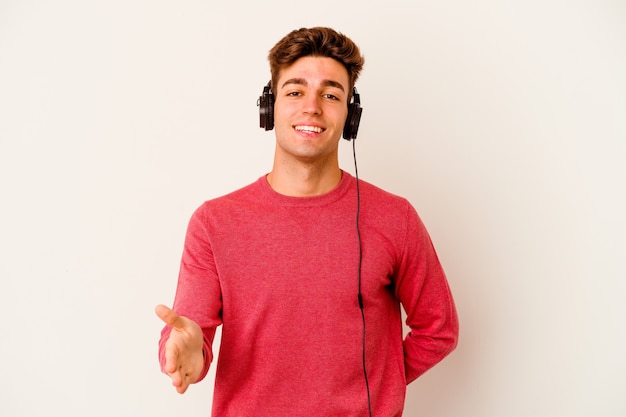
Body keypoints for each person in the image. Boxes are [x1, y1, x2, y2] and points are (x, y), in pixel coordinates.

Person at [156, 26, 459, 416]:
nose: (312, 107)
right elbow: (188, 332)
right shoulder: (214, 222)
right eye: (295, 91)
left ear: (352, 116)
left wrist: (376, 389)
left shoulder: (394, 217)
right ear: (269, 107)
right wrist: (187, 351)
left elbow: (439, 330)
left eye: (331, 94)